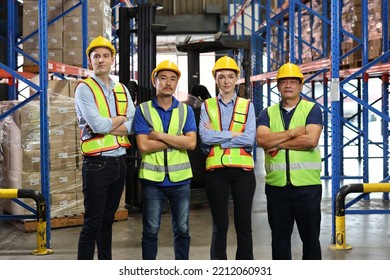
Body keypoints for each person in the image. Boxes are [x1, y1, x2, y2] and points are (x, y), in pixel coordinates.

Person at [75, 36, 135, 260]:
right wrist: (120, 119)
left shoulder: (121, 89)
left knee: (108, 221)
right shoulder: (84, 89)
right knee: (92, 222)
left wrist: (113, 123)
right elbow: (97, 125)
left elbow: (132, 124)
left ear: (113, 60)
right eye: (96, 56)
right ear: (90, 61)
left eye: (105, 56)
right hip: (97, 164)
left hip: (119, 162)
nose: (101, 60)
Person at [256, 62, 323, 260]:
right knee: (279, 241)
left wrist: (278, 143)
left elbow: (311, 140)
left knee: (310, 240)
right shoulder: (266, 113)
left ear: (301, 86)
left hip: (307, 187)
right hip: (277, 188)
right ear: (278, 86)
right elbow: (262, 140)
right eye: (284, 81)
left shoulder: (312, 109)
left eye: (293, 82)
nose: (288, 85)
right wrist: (293, 133)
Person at [134, 60, 197, 260]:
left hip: (181, 180)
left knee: (182, 230)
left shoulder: (186, 111)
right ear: (154, 82)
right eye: (163, 78)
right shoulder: (143, 110)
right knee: (151, 231)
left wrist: (159, 136)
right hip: (153, 181)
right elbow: (143, 146)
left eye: (172, 79)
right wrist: (178, 140)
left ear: (177, 83)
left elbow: (192, 144)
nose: (168, 83)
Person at [199, 56, 257, 260]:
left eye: (230, 77)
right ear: (215, 79)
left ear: (236, 79)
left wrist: (220, 138)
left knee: (244, 225)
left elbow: (250, 139)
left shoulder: (247, 105)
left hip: (243, 173)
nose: (226, 81)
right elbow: (204, 138)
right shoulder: (207, 106)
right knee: (220, 225)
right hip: (216, 173)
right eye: (221, 76)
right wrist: (233, 135)